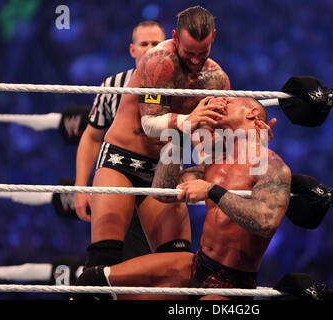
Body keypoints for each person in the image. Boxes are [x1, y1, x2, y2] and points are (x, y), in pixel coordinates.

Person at [74, 97, 291, 301]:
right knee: (93, 282)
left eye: (230, 101)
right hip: (197, 264)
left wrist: (212, 191)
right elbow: (163, 190)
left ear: (252, 113)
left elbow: (266, 223)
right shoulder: (215, 164)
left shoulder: (271, 165)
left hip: (233, 282)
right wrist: (180, 135)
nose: (222, 103)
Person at [87, 6, 232, 269]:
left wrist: (203, 168)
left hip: (165, 168)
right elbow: (150, 124)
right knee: (104, 260)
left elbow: (207, 138)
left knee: (179, 263)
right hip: (122, 160)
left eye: (203, 53)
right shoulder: (159, 61)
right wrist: (188, 121)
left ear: (213, 37)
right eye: (189, 53)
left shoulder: (216, 80)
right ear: (175, 37)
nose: (196, 61)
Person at [74, 21, 166, 263]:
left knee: (160, 261)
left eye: (156, 44)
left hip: (158, 181)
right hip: (117, 175)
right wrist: (81, 187)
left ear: (166, 47)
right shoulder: (112, 86)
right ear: (132, 50)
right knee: (109, 255)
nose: (150, 49)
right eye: (143, 44)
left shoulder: (178, 86)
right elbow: (92, 136)